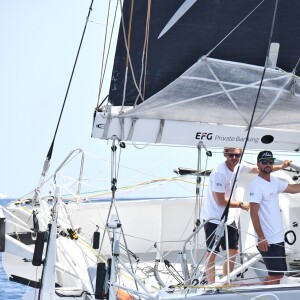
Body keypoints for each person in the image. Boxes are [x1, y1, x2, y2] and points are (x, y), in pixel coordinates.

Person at [201, 147, 289, 284]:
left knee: (233, 251)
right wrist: (242, 204)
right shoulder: (219, 173)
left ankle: (225, 282)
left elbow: (258, 169)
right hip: (214, 218)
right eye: (231, 155)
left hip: (229, 218)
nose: (234, 158)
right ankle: (212, 285)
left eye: (237, 155)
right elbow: (220, 201)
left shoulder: (238, 167)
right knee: (212, 253)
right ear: (225, 155)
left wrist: (282, 166)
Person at [249, 150, 300, 285]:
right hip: (267, 240)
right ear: (258, 164)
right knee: (276, 276)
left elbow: (293, 188)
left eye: (270, 162)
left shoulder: (274, 181)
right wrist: (261, 237)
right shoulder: (256, 185)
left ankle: (259, 294)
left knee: (277, 274)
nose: (268, 164)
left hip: (277, 238)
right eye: (264, 162)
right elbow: (253, 212)